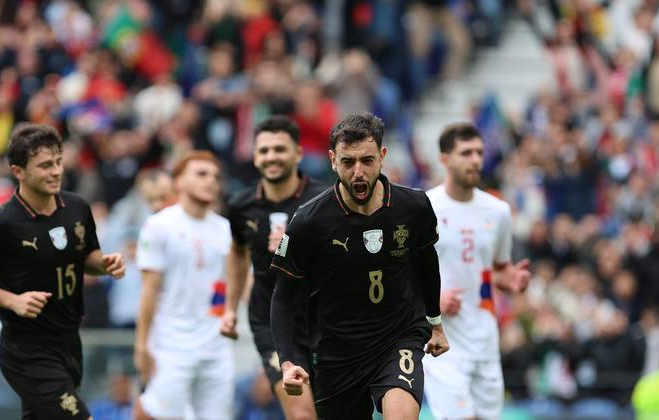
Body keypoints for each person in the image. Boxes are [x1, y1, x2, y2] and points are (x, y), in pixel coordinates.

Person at [270, 112, 449, 419]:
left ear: (382, 156)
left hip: (398, 336)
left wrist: (435, 322)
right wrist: (289, 361)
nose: (358, 172)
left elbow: (427, 262)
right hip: (336, 351)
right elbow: (284, 296)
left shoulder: (414, 207)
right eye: (348, 162)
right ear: (331, 160)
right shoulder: (309, 222)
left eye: (366, 160)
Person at [0, 123, 125, 420]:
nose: (55, 171)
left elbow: (87, 257)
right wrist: (11, 300)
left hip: (69, 341)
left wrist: (105, 264)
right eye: (44, 165)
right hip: (26, 350)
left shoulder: (77, 207)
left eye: (58, 162)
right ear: (18, 171)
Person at [422, 123, 531, 420]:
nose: (475, 160)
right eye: (466, 153)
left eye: (479, 153)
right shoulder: (424, 208)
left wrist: (511, 280)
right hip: (442, 342)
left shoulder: (497, 211)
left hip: (484, 339)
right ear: (444, 159)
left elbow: (497, 269)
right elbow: (402, 272)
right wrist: (433, 298)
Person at [225, 115, 326, 419]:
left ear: (297, 153)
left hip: (323, 320)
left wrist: (298, 245)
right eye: (264, 150)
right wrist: (230, 308)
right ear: (255, 156)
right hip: (271, 324)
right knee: (302, 414)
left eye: (280, 149)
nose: (272, 157)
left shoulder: (324, 200)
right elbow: (238, 253)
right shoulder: (241, 206)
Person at [133, 151, 234, 420]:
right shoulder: (158, 226)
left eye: (215, 176)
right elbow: (149, 290)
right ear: (179, 182)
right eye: (201, 174)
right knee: (154, 412)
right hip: (171, 346)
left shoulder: (226, 229)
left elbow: (234, 283)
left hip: (216, 348)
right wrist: (142, 345)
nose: (211, 181)